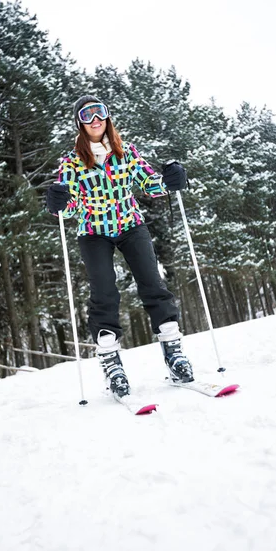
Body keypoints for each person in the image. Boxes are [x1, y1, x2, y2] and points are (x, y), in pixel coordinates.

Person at [46, 94, 194, 397]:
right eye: (86, 115)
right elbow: (69, 203)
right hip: (93, 231)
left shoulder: (125, 152)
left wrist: (170, 180)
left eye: (98, 112)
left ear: (107, 116)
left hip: (130, 224)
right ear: (80, 123)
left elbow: (149, 183)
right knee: (104, 291)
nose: (94, 119)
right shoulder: (71, 161)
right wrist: (59, 202)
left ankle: (174, 353)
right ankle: (112, 364)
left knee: (152, 282)